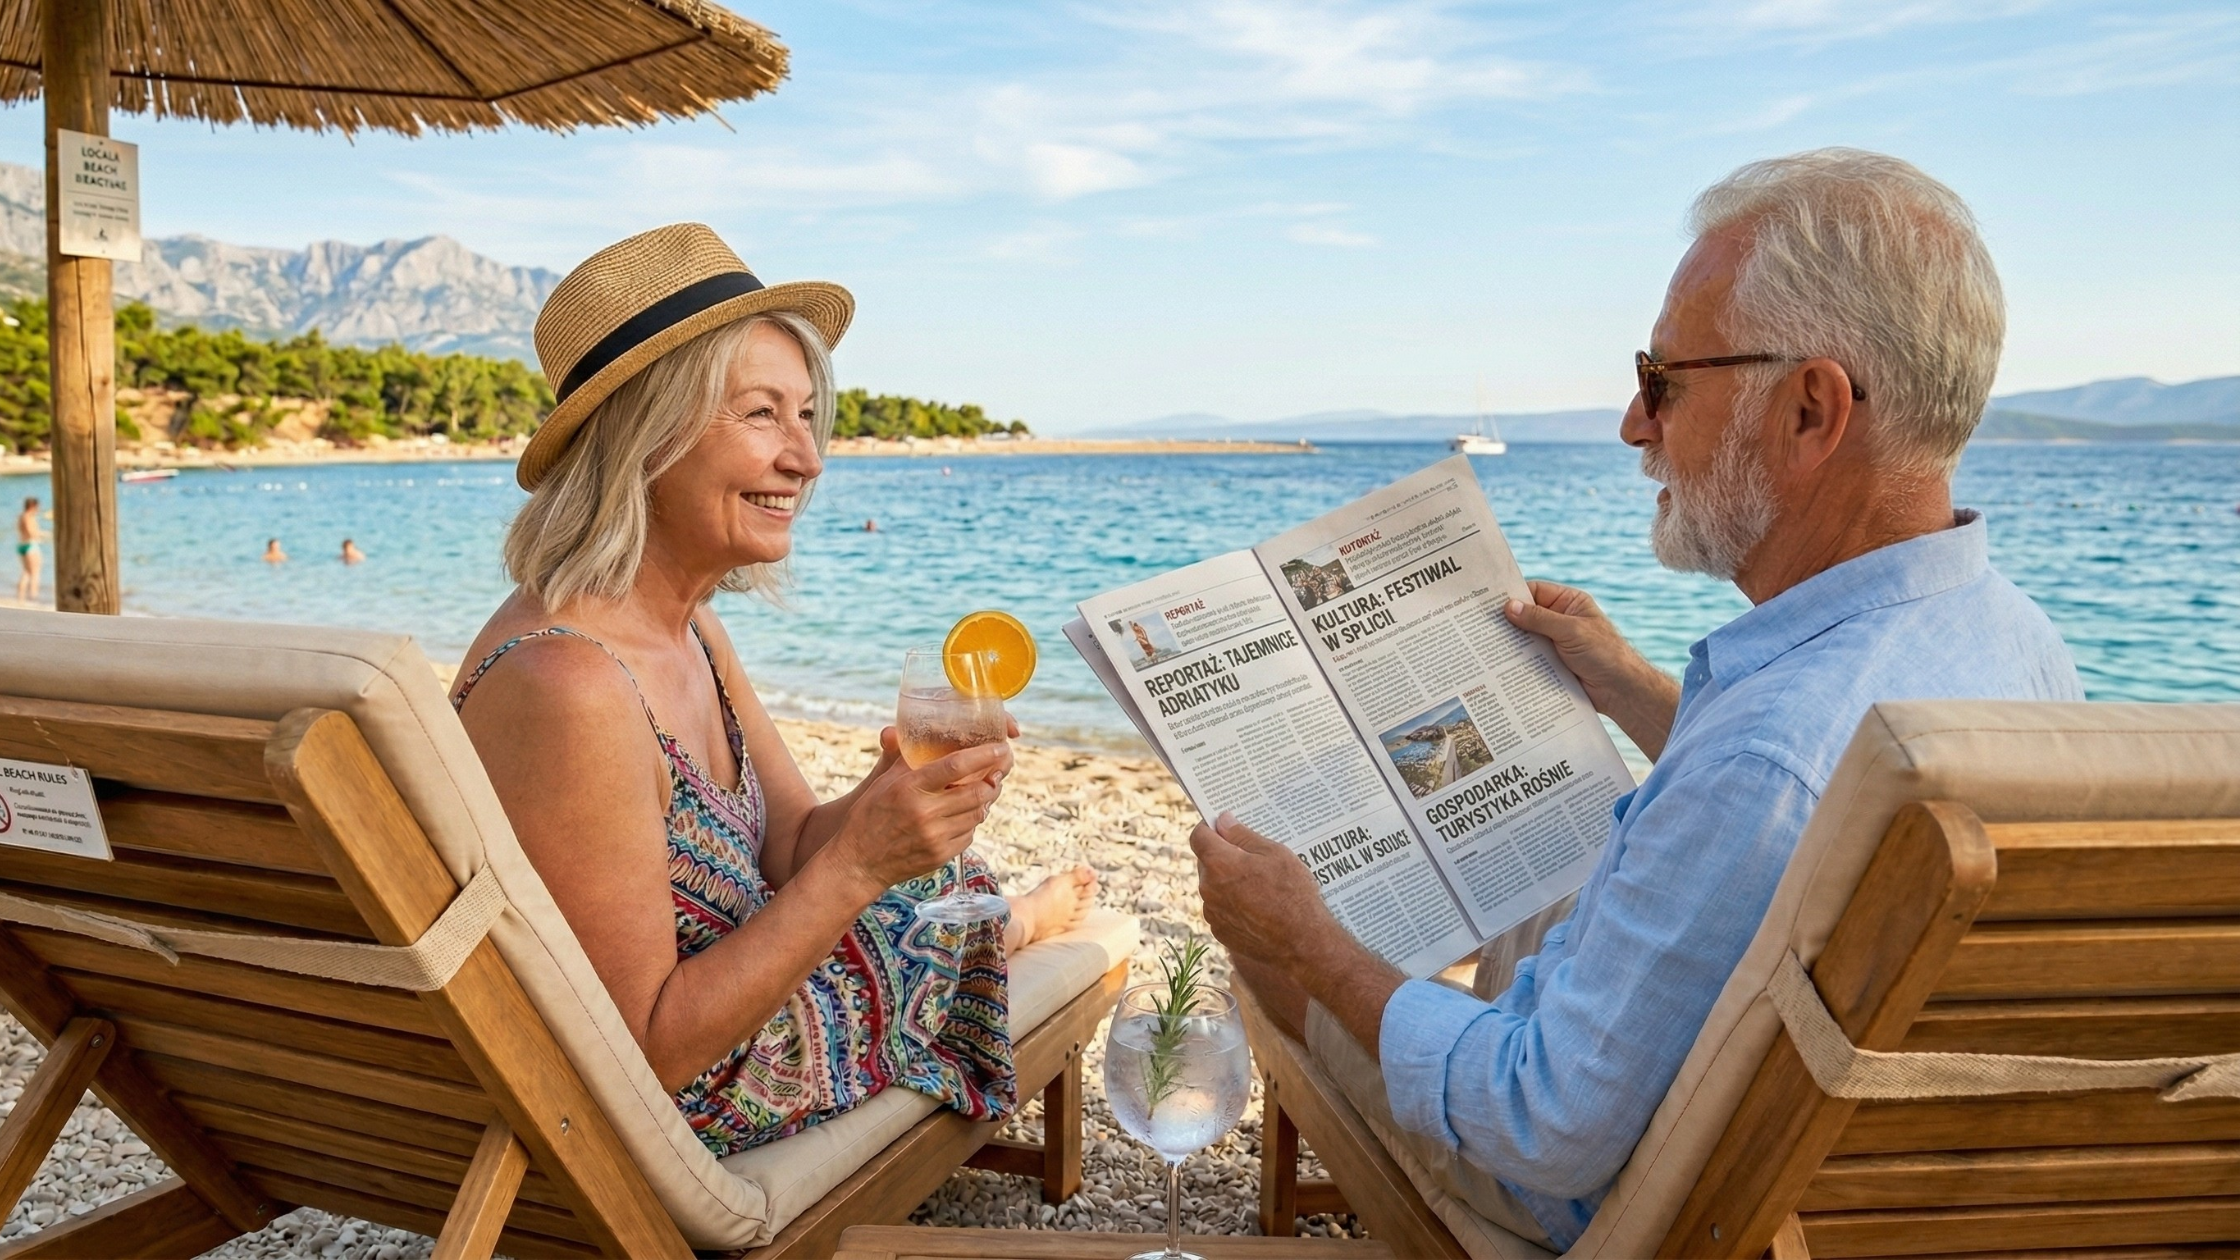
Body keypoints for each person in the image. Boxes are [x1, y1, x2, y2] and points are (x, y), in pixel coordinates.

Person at [1191, 148, 2084, 1249]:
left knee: (1267, 939)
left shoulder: (1763, 759)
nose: (1631, 423)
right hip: (1850, 1179)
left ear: (1810, 412)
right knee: (1527, 886)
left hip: (1588, 1197)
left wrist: (1312, 948)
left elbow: (1539, 1123)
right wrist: (1630, 689)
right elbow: (1817, 806)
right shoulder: (2010, 642)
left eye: (1664, 381)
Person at [451, 224, 1097, 1158]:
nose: (808, 459)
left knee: (941, 880)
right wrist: (864, 865)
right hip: (686, 1096)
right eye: (763, 415)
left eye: (806, 417)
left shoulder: (690, 627)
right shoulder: (569, 682)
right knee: (938, 908)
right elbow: (643, 1050)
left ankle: (999, 921)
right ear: (647, 437)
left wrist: (886, 808)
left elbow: (791, 843)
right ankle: (1014, 927)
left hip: (723, 997)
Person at [14, 497, 44, 603]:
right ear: (33, 506)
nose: (38, 509)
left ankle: (20, 597)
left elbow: (20, 530)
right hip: (30, 545)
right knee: (35, 572)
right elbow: (31, 532)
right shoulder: (29, 517)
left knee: (26, 572)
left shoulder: (21, 517)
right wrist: (42, 536)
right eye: (37, 507)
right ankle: (33, 596)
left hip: (22, 545)